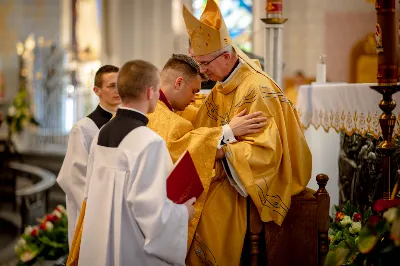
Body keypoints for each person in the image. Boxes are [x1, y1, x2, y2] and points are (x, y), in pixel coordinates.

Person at [182, 0, 312, 265]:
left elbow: (265, 153)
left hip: (250, 180)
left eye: (205, 63)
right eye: (198, 62)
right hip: (225, 172)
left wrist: (218, 153)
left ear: (227, 56)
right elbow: (203, 127)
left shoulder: (257, 90)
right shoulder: (222, 84)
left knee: (205, 214)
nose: (202, 70)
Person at [77, 60, 195, 266]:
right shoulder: (149, 142)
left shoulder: (102, 133)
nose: (159, 96)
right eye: (158, 90)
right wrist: (183, 212)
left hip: (98, 246)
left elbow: (89, 193)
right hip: (130, 249)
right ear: (150, 92)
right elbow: (150, 210)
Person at [147, 54, 267, 249]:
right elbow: (180, 150)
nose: (195, 98)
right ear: (178, 83)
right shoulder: (163, 117)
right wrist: (228, 131)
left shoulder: (151, 106)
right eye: (194, 91)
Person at [57, 65, 120, 248]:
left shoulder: (127, 124)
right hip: (94, 210)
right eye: (111, 86)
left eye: (120, 85)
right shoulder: (84, 128)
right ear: (96, 90)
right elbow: (73, 177)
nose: (117, 91)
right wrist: (99, 207)